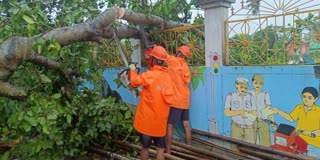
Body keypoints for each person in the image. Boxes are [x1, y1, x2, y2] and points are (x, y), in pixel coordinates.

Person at [129, 45, 175, 160]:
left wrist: (132, 69)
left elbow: (134, 82)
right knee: (160, 149)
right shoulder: (167, 77)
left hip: (147, 123)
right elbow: (155, 92)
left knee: (145, 148)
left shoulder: (149, 75)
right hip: (160, 124)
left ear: (154, 60)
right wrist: (142, 92)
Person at [165, 45, 192, 154]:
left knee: (170, 126)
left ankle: (168, 151)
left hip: (175, 101)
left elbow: (163, 55)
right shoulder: (185, 66)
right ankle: (189, 150)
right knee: (186, 125)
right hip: (185, 100)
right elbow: (187, 80)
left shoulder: (172, 61)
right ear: (185, 56)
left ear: (178, 52)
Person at [224, 77, 257, 150]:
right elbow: (226, 113)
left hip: (249, 128)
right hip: (236, 127)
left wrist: (247, 113)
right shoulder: (231, 96)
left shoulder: (250, 96)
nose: (243, 89)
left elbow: (255, 112)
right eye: (241, 87)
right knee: (235, 150)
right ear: (236, 85)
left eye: (245, 88)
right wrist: (239, 112)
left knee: (250, 151)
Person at [248, 74, 275, 147]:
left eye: (260, 83)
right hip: (252, 121)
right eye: (256, 83)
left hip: (264, 121)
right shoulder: (248, 93)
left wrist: (272, 122)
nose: (258, 85)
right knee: (250, 142)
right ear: (252, 83)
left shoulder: (265, 94)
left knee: (265, 143)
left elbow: (269, 108)